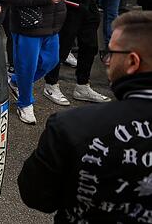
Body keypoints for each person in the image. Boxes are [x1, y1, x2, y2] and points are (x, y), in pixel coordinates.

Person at [18, 11, 152, 222]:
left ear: (132, 62)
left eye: (111, 53)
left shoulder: (71, 127)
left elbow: (36, 195)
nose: (107, 61)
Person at [2, 0, 66, 124]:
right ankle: (24, 104)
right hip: (27, 25)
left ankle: (15, 81)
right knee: (27, 66)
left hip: (51, 23)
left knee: (51, 61)